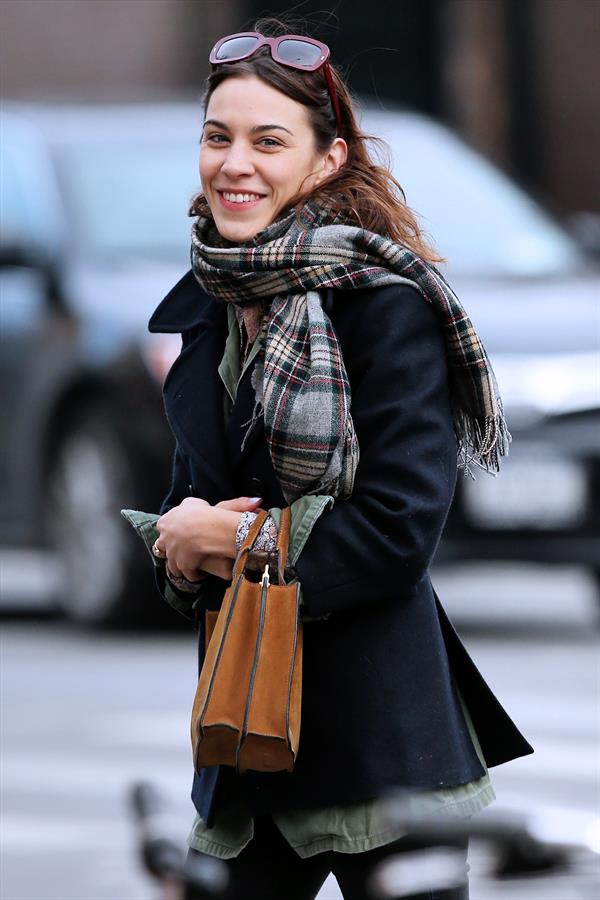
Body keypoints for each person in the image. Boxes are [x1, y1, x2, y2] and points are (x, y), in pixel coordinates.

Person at [143, 18, 534, 900]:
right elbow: (186, 513)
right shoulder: (210, 302)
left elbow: (397, 535)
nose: (234, 163)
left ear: (326, 161)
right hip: (248, 742)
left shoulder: (384, 309)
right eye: (217, 137)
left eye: (267, 141)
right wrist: (175, 541)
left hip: (382, 750)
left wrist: (228, 542)